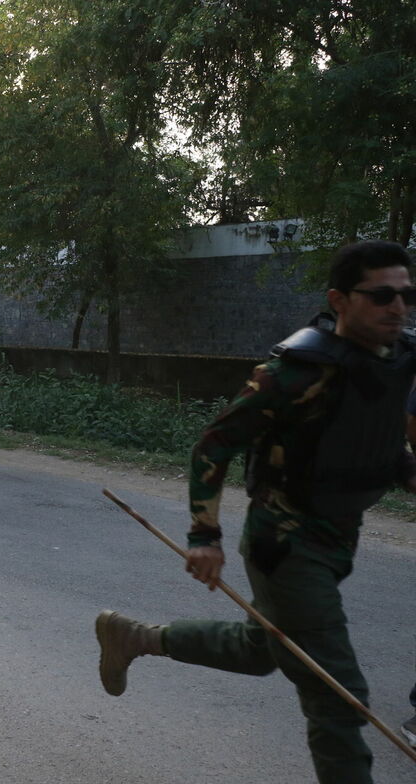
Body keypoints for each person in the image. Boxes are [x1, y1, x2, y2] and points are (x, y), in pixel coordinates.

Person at [95, 240, 416, 784]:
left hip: (339, 535)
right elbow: (213, 446)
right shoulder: (294, 372)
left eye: (407, 295)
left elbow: (379, 445)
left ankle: (136, 638)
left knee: (261, 649)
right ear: (340, 300)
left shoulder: (396, 362)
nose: (398, 307)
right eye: (382, 295)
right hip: (286, 544)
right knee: (338, 696)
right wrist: (204, 535)